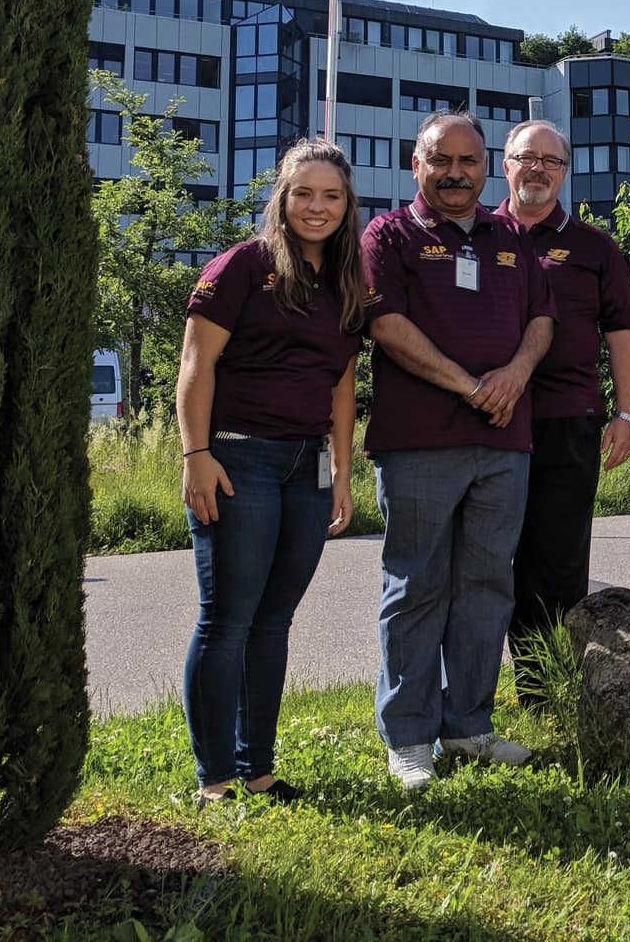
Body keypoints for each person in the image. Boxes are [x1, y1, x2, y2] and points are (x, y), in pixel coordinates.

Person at [363, 110, 556, 789]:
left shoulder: (512, 236)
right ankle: (409, 738)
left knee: (486, 587)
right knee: (417, 585)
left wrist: (516, 375)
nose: (455, 173)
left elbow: (542, 319)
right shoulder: (389, 234)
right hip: (420, 441)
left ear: (485, 168)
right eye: (440, 160)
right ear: (416, 165)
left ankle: (468, 725)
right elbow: (387, 325)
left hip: (504, 441)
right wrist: (471, 386)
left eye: (468, 161)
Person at [177, 137, 365, 805]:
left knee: (274, 620)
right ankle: (215, 780)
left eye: (331, 195)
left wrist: (342, 472)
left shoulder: (346, 282)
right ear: (281, 198)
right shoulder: (241, 266)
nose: (317, 206)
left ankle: (258, 770)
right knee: (227, 619)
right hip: (238, 459)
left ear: (347, 204)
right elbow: (195, 366)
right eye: (304, 193)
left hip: (306, 466)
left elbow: (342, 385)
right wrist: (196, 456)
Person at [499, 121, 630, 690]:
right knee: (483, 560)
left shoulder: (593, 247)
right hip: (484, 420)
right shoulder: (478, 236)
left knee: (556, 562)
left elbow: (624, 331)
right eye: (526, 157)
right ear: (505, 164)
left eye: (551, 161)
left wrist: (626, 414)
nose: (537, 168)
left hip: (567, 419)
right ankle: (469, 692)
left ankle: (544, 690)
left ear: (564, 172)